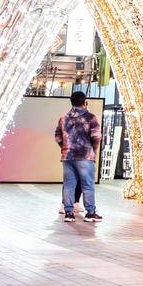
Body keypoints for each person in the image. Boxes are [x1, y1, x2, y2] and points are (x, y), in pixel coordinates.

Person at [55, 91, 102, 223]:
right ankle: (90, 213)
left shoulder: (63, 118)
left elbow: (57, 136)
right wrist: (94, 150)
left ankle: (69, 213)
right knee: (87, 185)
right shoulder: (90, 117)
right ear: (84, 102)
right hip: (85, 156)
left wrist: (64, 147)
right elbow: (96, 136)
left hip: (67, 157)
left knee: (69, 184)